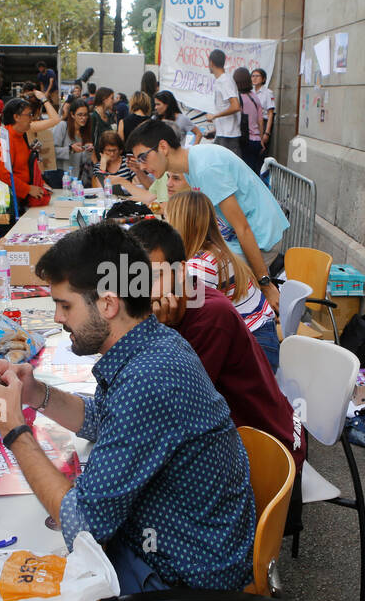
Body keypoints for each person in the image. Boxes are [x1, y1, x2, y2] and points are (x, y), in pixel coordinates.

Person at [0, 223, 255, 601]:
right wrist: (36, 394)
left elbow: (82, 526)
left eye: (65, 306)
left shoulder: (148, 376)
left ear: (107, 303)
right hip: (179, 560)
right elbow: (104, 419)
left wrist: (14, 429)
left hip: (184, 597)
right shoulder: (153, 344)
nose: (57, 319)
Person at [129, 217, 306, 535]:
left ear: (180, 271)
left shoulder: (210, 316)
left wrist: (153, 333)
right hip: (227, 437)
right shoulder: (179, 301)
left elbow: (172, 413)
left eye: (153, 276)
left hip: (266, 449)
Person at [127, 119, 287, 310]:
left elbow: (242, 227)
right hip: (239, 238)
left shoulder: (204, 168)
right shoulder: (192, 164)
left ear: (163, 147)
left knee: (194, 283)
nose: (142, 166)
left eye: (143, 157)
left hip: (260, 238)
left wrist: (265, 284)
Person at [164, 190, 279, 370]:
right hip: (263, 337)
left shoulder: (200, 267)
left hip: (255, 351)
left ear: (180, 225)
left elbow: (187, 320)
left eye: (168, 220)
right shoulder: (217, 251)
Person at [0, 97, 48, 217]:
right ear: (16, 117)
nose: (31, 119)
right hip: (3, 202)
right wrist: (28, 189)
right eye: (29, 115)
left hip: (17, 199)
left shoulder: (21, 136)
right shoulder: (1, 139)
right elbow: (3, 174)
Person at [205, 49, 242, 153]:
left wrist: (214, 116)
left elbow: (235, 106)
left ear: (211, 63)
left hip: (228, 136)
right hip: (223, 134)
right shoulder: (221, 80)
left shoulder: (224, 81)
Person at [233, 67, 266, 174]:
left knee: (244, 173)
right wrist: (261, 139)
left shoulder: (237, 98)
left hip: (244, 141)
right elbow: (260, 121)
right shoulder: (254, 96)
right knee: (253, 172)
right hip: (256, 141)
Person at [53, 99, 94, 181]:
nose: (83, 118)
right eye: (80, 115)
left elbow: (83, 160)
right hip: (59, 176)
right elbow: (52, 151)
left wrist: (88, 151)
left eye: (86, 115)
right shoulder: (62, 126)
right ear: (72, 114)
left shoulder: (85, 132)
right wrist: (70, 149)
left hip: (76, 177)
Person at [252, 67, 276, 157]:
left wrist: (267, 133)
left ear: (263, 79)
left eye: (257, 76)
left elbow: (270, 114)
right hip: (253, 123)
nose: (254, 78)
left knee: (261, 152)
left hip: (264, 123)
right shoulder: (251, 92)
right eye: (253, 76)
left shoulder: (268, 93)